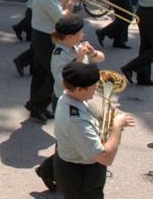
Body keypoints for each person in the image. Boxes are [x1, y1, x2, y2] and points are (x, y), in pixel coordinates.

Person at [35, 15, 104, 192]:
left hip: (81, 98)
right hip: (65, 100)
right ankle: (49, 170)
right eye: (79, 32)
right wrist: (79, 60)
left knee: (74, 140)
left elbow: (100, 58)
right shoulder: (59, 54)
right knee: (67, 141)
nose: (82, 34)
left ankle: (52, 169)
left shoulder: (76, 46)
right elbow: (62, 82)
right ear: (70, 36)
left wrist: (93, 53)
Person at [53, 62, 135, 199]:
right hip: (81, 177)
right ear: (79, 89)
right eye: (93, 86)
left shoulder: (70, 96)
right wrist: (116, 127)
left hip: (78, 168)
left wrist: (108, 116)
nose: (97, 87)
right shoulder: (75, 120)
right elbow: (105, 158)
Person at [26, 0, 78, 122]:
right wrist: (71, 2)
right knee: (55, 74)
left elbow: (57, 8)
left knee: (41, 72)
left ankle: (38, 107)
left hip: (42, 33)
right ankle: (36, 104)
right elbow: (61, 19)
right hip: (45, 36)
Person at [12, 0, 48, 76]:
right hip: (36, 12)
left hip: (36, 12)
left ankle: (32, 66)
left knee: (38, 44)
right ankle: (21, 61)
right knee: (40, 44)